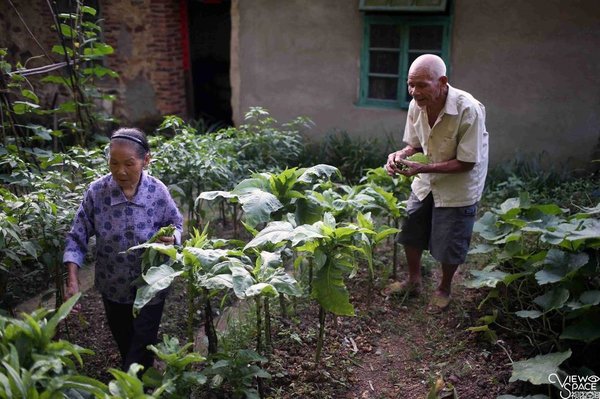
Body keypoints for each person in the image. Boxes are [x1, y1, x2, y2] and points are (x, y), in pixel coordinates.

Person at [63, 127, 183, 371]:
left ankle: (130, 388)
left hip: (150, 284)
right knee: (126, 341)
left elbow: (176, 223)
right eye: (113, 163)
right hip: (113, 286)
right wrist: (72, 279)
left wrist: (174, 238)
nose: (120, 171)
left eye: (129, 163)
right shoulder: (97, 192)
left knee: (142, 342)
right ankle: (141, 381)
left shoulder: (157, 191)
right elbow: (77, 236)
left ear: (145, 160)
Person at [384, 54, 489, 313]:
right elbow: (415, 144)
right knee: (411, 227)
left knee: (450, 241)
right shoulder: (415, 105)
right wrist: (400, 155)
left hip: (459, 185)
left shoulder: (468, 109)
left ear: (442, 82)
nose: (414, 92)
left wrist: (423, 167)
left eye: (421, 85)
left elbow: (467, 162)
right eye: (410, 84)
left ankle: (444, 288)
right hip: (425, 181)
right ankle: (414, 280)